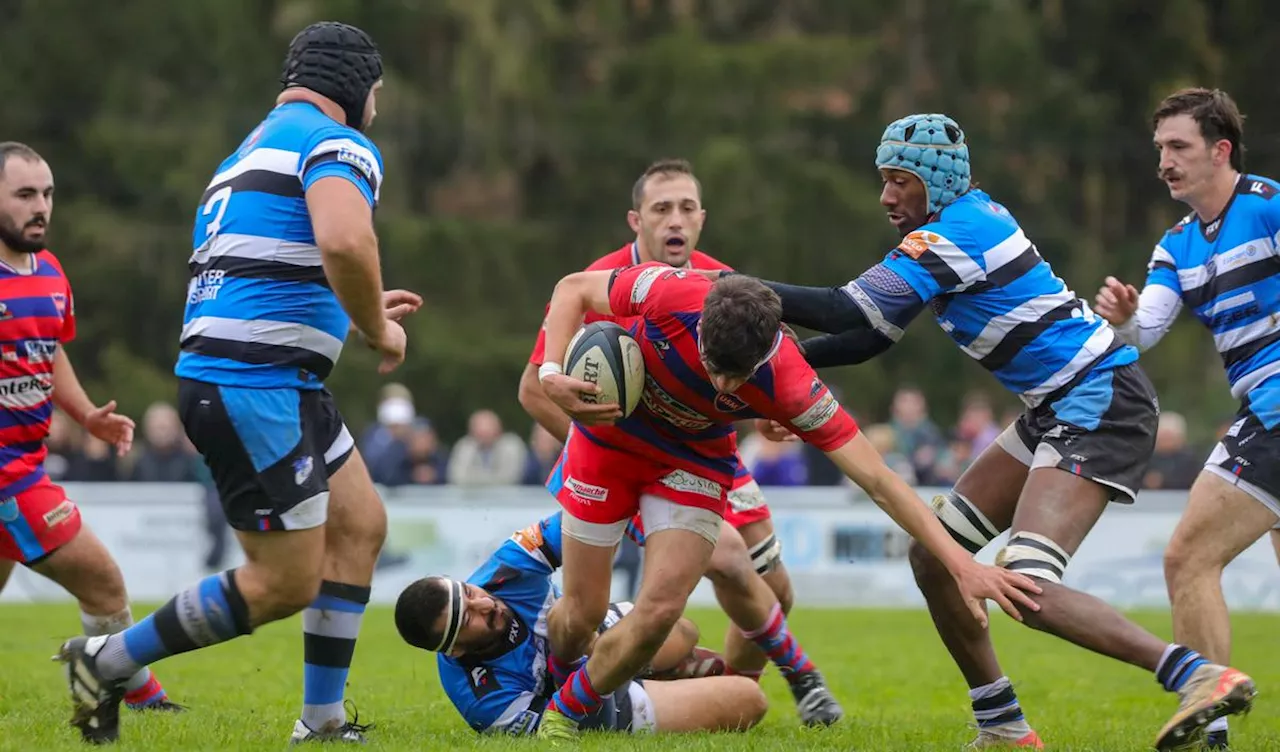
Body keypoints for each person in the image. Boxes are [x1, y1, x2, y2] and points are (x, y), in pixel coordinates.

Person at [731, 112, 1257, 751]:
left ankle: (1196, 674)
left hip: (1099, 400)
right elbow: (869, 336)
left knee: (1026, 580)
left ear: (935, 180)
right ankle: (1004, 726)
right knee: (935, 555)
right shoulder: (947, 232)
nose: (886, 196)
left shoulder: (959, 231)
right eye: (883, 180)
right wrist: (777, 375)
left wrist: (735, 291)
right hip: (1055, 406)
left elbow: (846, 307)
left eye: (900, 181)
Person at [54, 22, 421, 745]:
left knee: (360, 525)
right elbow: (345, 239)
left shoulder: (246, 152)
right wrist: (380, 330)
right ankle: (105, 659)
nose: (376, 108)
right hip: (254, 384)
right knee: (284, 583)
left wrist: (352, 312)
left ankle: (321, 721)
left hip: (272, 378)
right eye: (376, 93)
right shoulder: (339, 141)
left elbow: (265, 276)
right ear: (357, 88)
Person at [532, 261, 1040, 739]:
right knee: (579, 614)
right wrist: (552, 371)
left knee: (661, 609)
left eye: (739, 376)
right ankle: (551, 682)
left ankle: (562, 714)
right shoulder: (670, 291)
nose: (723, 384)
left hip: (692, 462)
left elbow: (880, 481)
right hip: (609, 442)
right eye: (715, 365)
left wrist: (960, 564)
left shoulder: (792, 382)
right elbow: (572, 288)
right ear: (703, 323)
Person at [518, 158, 840, 723]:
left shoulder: (724, 283)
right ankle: (801, 677)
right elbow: (532, 389)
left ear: (701, 219)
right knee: (725, 564)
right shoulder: (599, 282)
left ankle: (735, 691)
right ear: (635, 220)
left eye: (686, 208)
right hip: (626, 456)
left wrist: (769, 414)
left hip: (707, 449)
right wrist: (600, 442)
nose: (675, 220)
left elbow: (750, 376)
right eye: (661, 209)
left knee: (773, 586)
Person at [1093, 88, 1278, 749]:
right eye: (1159, 150)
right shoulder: (1176, 246)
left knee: (1187, 557)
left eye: (1179, 148)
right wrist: (1120, 321)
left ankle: (1214, 727)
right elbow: (1145, 333)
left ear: (1220, 150)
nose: (1164, 163)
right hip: (1261, 409)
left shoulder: (1268, 205)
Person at [0, 143, 180, 734]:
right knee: (102, 580)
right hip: (8, 475)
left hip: (27, 461)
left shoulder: (49, 272)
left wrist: (86, 416)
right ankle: (140, 694)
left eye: (47, 194)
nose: (41, 207)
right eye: (25, 195)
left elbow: (51, 354)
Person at [395, 511, 767, 736]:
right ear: (456, 649)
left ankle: (662, 668)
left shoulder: (502, 571)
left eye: (468, 592)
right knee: (749, 700)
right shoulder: (482, 699)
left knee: (684, 631)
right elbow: (562, 724)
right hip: (586, 703)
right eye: (467, 619)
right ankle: (656, 675)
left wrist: (661, 537)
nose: (483, 604)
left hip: (590, 635)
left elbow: (586, 523)